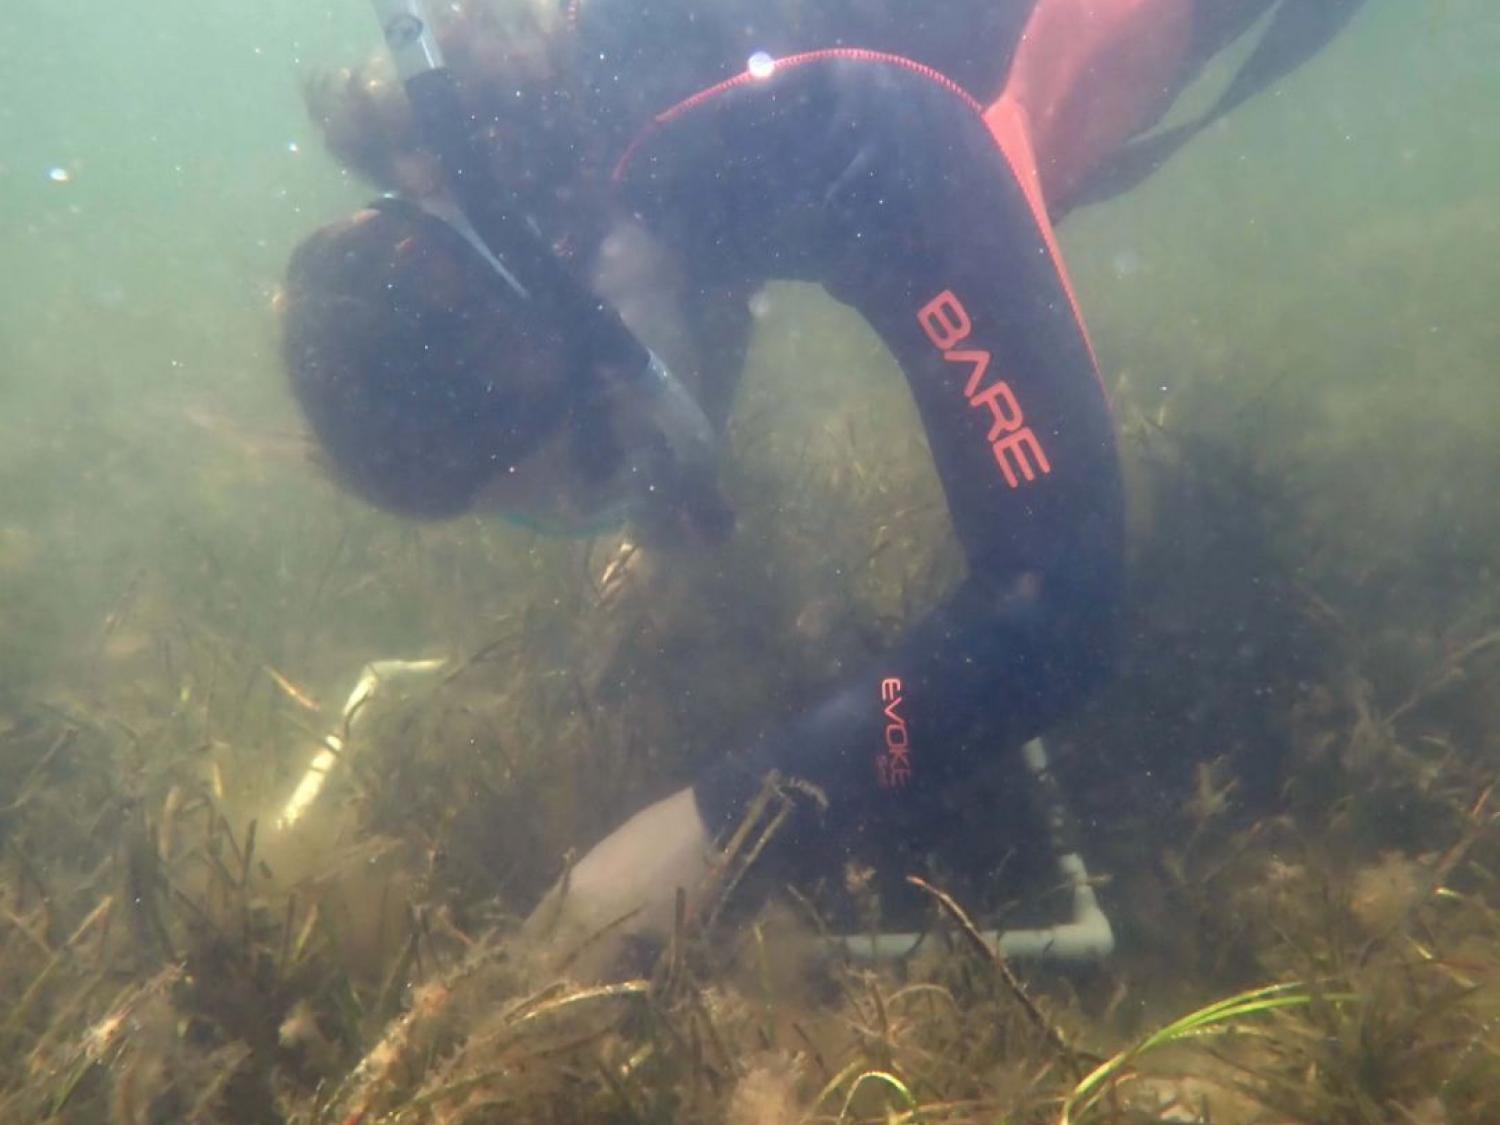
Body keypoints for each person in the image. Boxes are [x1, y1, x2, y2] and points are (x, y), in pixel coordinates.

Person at [280, 0, 1367, 966]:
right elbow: (681, 280)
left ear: (566, 320)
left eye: (601, 461)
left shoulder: (832, 131)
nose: (629, 481)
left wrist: (716, 823)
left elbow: (1054, 609)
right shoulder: (592, 146)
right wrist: (670, 506)